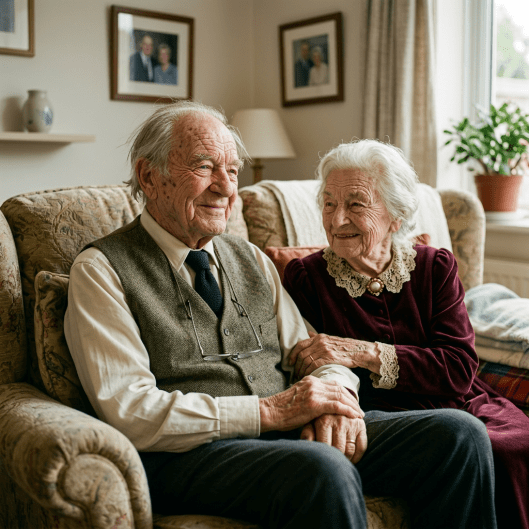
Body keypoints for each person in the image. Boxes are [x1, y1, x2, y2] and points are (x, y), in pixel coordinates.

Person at [65, 102, 497, 529]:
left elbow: (312, 353)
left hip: (289, 435)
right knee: (322, 468)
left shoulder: (249, 258)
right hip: (190, 454)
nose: (224, 187)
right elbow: (131, 408)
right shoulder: (101, 270)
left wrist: (334, 403)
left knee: (459, 436)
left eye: (232, 171)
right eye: (204, 166)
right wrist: (270, 412)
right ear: (149, 176)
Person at [283, 139, 529, 529]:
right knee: (471, 445)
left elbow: (459, 368)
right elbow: (308, 365)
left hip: (461, 400)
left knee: (515, 444)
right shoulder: (306, 278)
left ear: (395, 217)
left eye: (356, 204)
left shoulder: (434, 267)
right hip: (380, 415)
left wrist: (363, 352)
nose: (337, 218)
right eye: (328, 203)